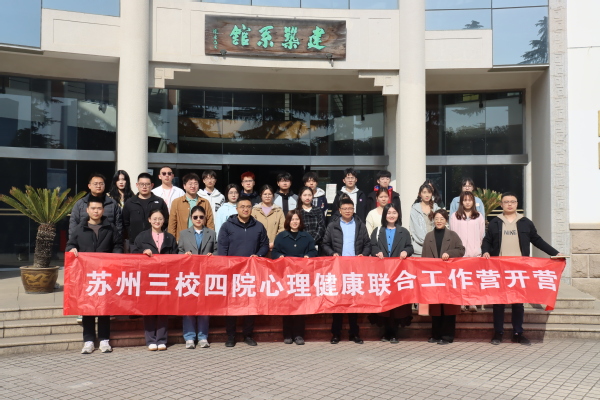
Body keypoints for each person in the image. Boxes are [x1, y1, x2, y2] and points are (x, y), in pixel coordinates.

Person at [482, 192, 564, 346]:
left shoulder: (525, 222)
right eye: (506, 202)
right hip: (499, 268)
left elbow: (537, 240)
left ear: (517, 203)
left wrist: (555, 253)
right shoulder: (495, 222)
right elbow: (487, 240)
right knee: (498, 302)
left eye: (512, 201)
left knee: (518, 302)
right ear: (501, 204)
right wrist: (485, 251)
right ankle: (498, 333)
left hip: (519, 269)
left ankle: (518, 333)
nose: (509, 204)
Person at [66, 196, 123, 354]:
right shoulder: (80, 228)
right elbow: (71, 244)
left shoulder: (110, 228)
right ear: (87, 210)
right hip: (86, 274)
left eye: (99, 208)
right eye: (93, 208)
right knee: (88, 308)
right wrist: (71, 249)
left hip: (105, 273)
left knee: (104, 308)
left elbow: (118, 245)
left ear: (103, 210)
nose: (96, 211)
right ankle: (89, 340)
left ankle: (104, 340)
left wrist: (115, 256)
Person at [218, 198, 270, 347]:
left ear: (252, 209)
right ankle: (231, 336)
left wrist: (258, 255)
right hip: (232, 272)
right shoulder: (227, 226)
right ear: (237, 209)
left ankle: (248, 335)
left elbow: (264, 245)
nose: (245, 209)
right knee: (231, 304)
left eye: (248, 207)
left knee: (250, 304)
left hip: (251, 273)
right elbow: (222, 248)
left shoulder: (258, 226)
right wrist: (225, 266)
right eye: (242, 207)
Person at [322, 197, 371, 345]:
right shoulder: (333, 226)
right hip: (338, 268)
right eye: (345, 209)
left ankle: (354, 333)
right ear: (340, 210)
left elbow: (367, 244)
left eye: (350, 208)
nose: (348, 211)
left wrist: (364, 254)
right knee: (338, 301)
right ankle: (336, 333)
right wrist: (332, 253)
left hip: (355, 269)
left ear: (353, 209)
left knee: (353, 302)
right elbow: (325, 244)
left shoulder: (360, 225)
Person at [132, 208, 178, 351]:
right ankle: (151, 339)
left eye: (160, 219)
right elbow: (133, 254)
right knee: (149, 309)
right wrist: (142, 253)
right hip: (148, 278)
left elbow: (176, 256)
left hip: (165, 278)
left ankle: (162, 339)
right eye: (154, 219)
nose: (157, 221)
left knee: (163, 309)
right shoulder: (142, 237)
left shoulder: (170, 238)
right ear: (149, 220)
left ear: (164, 220)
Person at [272, 210, 318, 345]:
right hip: (286, 277)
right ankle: (287, 334)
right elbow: (274, 252)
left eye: (297, 219)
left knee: (300, 305)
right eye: (292, 219)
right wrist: (279, 256)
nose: (295, 222)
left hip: (302, 277)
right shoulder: (281, 236)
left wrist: (308, 256)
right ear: (288, 221)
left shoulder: (306, 236)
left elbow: (313, 251)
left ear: (300, 221)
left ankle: (299, 335)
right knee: (286, 305)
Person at [370, 203, 414, 343]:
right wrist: (377, 252)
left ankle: (394, 333)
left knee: (396, 304)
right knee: (384, 303)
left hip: (398, 272)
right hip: (382, 272)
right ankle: (385, 332)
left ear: (398, 214)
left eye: (394, 212)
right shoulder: (378, 230)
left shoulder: (404, 232)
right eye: (389, 213)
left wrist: (405, 251)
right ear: (385, 215)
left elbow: (410, 247)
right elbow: (372, 246)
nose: (391, 215)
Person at [422, 209, 465, 345]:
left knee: (448, 306)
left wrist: (449, 253)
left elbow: (461, 250)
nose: (439, 221)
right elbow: (424, 257)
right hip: (433, 276)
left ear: (446, 220)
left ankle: (447, 336)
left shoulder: (452, 235)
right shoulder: (429, 236)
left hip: (448, 277)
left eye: (442, 218)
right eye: (436, 218)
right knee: (435, 307)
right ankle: (435, 334)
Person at [178, 205, 216, 350]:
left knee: (204, 306)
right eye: (195, 217)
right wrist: (184, 255)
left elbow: (217, 250)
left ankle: (202, 336)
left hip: (206, 275)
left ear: (205, 218)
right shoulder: (183, 234)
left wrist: (213, 255)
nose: (198, 219)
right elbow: (178, 251)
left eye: (201, 217)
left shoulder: (211, 233)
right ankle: (189, 337)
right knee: (188, 306)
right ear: (191, 218)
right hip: (189, 275)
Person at [450, 191, 486, 312]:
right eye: (465, 200)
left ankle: (472, 302)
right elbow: (452, 234)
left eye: (470, 200)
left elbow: (481, 235)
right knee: (460, 278)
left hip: (474, 253)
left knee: (473, 279)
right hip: (460, 254)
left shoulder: (479, 216)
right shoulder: (455, 216)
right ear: (461, 202)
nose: (467, 202)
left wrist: (480, 249)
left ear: (473, 202)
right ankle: (461, 302)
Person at [69, 173, 123, 238]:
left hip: (107, 241)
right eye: (95, 184)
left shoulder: (112, 204)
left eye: (101, 184)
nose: (98, 186)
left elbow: (119, 225)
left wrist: (117, 241)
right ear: (89, 186)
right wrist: (73, 241)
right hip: (85, 241)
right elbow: (73, 224)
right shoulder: (80, 204)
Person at [122, 173, 169, 245]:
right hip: (134, 242)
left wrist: (159, 231)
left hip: (155, 242)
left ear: (152, 185)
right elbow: (125, 222)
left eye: (147, 184)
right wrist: (131, 233)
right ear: (137, 185)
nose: (144, 187)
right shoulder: (130, 202)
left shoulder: (159, 202)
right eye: (141, 184)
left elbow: (166, 220)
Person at [168, 173, 214, 242]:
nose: (193, 186)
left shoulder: (205, 202)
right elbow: (172, 224)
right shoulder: (176, 202)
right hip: (182, 241)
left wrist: (209, 241)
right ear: (184, 186)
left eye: (195, 184)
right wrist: (172, 241)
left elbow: (210, 224)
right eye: (190, 184)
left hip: (201, 240)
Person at [251, 185, 285, 256]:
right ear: (261, 195)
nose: (267, 196)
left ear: (273, 195)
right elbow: (252, 228)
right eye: (265, 194)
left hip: (274, 247)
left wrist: (274, 242)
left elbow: (282, 228)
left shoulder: (278, 210)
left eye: (269, 194)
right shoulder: (254, 210)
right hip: (258, 247)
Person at [409, 184, 440, 257]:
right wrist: (426, 241)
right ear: (420, 194)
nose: (427, 195)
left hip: (435, 246)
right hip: (419, 248)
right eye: (424, 192)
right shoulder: (415, 209)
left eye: (429, 192)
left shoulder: (436, 208)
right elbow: (414, 228)